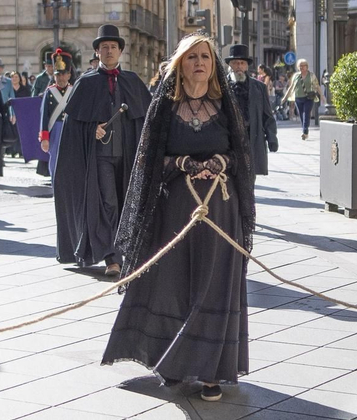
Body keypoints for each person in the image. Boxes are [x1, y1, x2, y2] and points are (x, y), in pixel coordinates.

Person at [103, 34, 256, 399]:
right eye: (191, 57)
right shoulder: (164, 108)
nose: (199, 62)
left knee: (213, 286)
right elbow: (147, 160)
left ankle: (211, 373)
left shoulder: (226, 106)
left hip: (220, 209)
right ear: (179, 65)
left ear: (213, 64)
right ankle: (172, 362)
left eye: (205, 56)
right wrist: (182, 163)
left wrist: (222, 161)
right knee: (172, 285)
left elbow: (243, 157)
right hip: (175, 210)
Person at [54, 24, 151, 276]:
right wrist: (91, 130)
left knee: (127, 202)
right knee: (109, 202)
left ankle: (128, 251)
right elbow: (72, 127)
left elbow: (148, 119)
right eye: (104, 47)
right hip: (100, 158)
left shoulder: (132, 81)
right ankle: (112, 258)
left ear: (120, 51)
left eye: (113, 47)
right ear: (97, 52)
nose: (109, 51)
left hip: (128, 156)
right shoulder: (85, 84)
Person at [226, 43, 278, 175]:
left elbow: (267, 115)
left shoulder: (259, 87)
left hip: (252, 138)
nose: (239, 66)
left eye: (242, 63)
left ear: (246, 66)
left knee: (249, 178)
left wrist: (272, 138)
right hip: (228, 140)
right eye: (235, 63)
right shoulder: (222, 87)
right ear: (230, 65)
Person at [39, 48, 74, 180]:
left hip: (71, 130)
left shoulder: (74, 90)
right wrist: (44, 138)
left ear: (69, 75)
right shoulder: (49, 92)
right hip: (55, 130)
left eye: (64, 74)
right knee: (55, 161)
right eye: (58, 75)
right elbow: (44, 116)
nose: (61, 77)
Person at [284, 58, 321, 140]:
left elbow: (317, 86)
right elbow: (291, 87)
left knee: (306, 113)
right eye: (300, 66)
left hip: (309, 98)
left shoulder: (311, 75)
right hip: (298, 98)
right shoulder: (296, 76)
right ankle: (305, 130)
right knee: (301, 114)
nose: (301, 67)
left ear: (307, 66)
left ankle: (305, 132)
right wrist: (285, 97)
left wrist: (322, 95)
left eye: (303, 66)